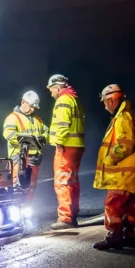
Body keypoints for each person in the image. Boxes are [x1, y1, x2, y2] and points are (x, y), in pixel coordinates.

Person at [92, 84, 135, 250]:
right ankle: (128, 235)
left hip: (121, 174)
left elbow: (125, 144)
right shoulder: (128, 115)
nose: (104, 106)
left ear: (111, 100)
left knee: (113, 204)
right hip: (128, 174)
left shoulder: (123, 117)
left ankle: (113, 235)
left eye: (104, 102)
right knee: (127, 206)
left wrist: (110, 159)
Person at [46, 74, 86, 229]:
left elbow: (63, 124)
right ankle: (73, 214)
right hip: (76, 146)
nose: (51, 93)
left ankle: (65, 218)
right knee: (72, 181)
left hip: (66, 146)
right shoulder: (74, 99)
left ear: (57, 88)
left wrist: (59, 142)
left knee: (62, 181)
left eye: (51, 89)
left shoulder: (63, 100)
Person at [2, 90, 48, 192]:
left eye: (34, 107)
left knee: (31, 187)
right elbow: (8, 133)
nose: (32, 109)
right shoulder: (13, 117)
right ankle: (17, 202)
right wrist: (25, 140)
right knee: (17, 187)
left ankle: (28, 202)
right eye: (31, 106)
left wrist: (44, 137)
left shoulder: (37, 119)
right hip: (19, 158)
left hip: (35, 158)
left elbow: (46, 131)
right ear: (23, 102)